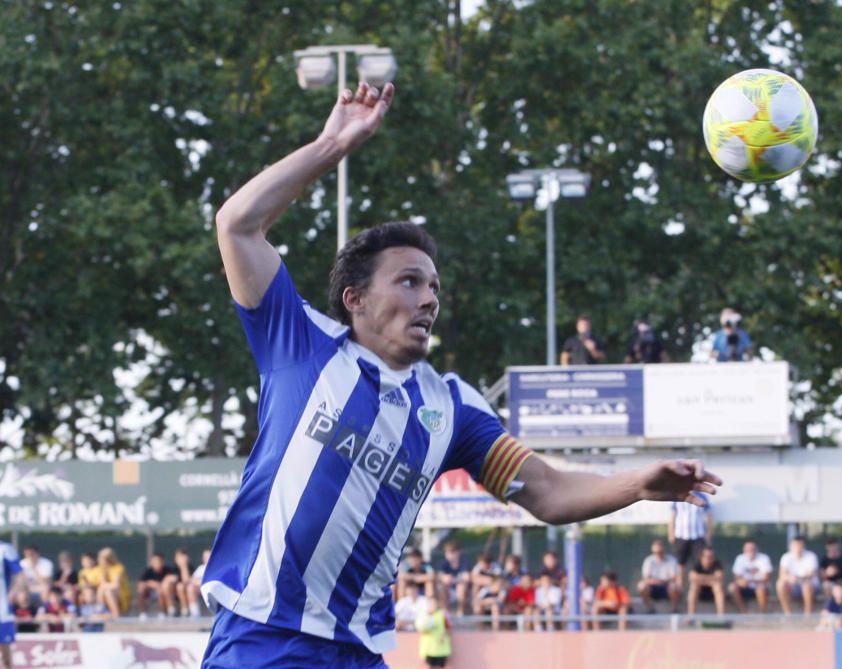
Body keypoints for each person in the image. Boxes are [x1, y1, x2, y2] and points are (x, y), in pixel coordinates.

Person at [200, 80, 720, 668]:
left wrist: (638, 486)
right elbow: (237, 224)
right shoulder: (300, 344)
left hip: (358, 653)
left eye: (434, 288)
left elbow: (546, 492)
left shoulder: (450, 407)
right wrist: (332, 144)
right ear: (355, 299)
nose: (429, 299)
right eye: (409, 282)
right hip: (263, 639)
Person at [669, 491, 713, 582]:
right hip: (681, 536)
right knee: (680, 565)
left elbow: (708, 517)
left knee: (698, 565)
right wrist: (671, 533)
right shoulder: (678, 496)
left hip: (698, 537)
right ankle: (679, 591)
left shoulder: (702, 497)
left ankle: (696, 593)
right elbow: (672, 516)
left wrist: (708, 534)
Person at [776, 536, 820, 615]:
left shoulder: (811, 556)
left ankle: (808, 614)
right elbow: (782, 575)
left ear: (804, 546)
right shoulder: (786, 557)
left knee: (807, 585)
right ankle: (788, 613)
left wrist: (798, 579)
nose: (798, 548)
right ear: (791, 546)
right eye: (796, 545)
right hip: (792, 587)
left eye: (800, 545)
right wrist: (790, 578)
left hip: (810, 587)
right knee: (780, 584)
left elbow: (811, 574)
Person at [636, 539, 681, 613]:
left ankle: (674, 609)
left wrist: (663, 581)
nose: (658, 554)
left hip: (667, 587)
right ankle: (649, 609)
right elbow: (646, 578)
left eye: (660, 552)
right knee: (641, 586)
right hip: (653, 587)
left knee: (674, 586)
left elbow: (674, 577)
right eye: (656, 552)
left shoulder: (672, 560)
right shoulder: (648, 560)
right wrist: (658, 581)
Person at [728, 539, 772, 613]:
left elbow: (766, 578)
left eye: (752, 549)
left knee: (760, 587)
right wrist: (741, 582)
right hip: (744, 588)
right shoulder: (740, 558)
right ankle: (744, 611)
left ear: (757, 549)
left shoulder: (764, 558)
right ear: (744, 550)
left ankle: (763, 612)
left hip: (761, 588)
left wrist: (751, 581)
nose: (750, 551)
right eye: (748, 549)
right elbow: (736, 577)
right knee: (732, 587)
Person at [136, 552, 180, 619]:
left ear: (162, 562)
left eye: (158, 561)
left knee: (162, 590)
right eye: (154, 562)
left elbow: (175, 578)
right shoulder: (148, 571)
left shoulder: (168, 570)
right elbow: (140, 584)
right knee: (141, 590)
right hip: (150, 593)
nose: (156, 564)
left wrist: (165, 581)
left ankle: (164, 612)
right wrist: (151, 583)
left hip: (166, 593)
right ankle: (142, 614)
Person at [415, 592, 451, 669]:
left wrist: (443, 634)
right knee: (429, 666)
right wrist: (424, 627)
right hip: (428, 648)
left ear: (438, 603)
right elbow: (419, 627)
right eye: (430, 603)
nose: (432, 605)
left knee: (440, 666)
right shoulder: (423, 615)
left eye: (434, 603)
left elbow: (449, 626)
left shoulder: (443, 613)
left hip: (441, 648)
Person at [0, 541, 22, 669]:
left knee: (5, 653)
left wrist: (13, 592)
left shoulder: (5, 549)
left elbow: (20, 574)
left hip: (2, 611)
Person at [687, 546, 725, 616]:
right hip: (700, 593)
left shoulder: (717, 563)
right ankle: (691, 616)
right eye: (708, 557)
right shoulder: (697, 564)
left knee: (718, 586)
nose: (710, 559)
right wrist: (712, 579)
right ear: (702, 557)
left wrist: (701, 579)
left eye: (712, 556)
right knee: (694, 586)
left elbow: (719, 576)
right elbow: (692, 577)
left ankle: (721, 617)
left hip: (713, 593)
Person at [437, 543, 470, 616]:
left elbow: (466, 577)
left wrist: (453, 579)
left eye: (451, 553)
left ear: (457, 553)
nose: (449, 555)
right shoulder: (444, 564)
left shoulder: (463, 563)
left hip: (463, 591)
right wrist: (444, 578)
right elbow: (440, 576)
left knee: (460, 586)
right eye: (447, 553)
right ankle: (446, 612)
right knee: (442, 586)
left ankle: (460, 611)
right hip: (449, 591)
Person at [184, 548, 211, 618]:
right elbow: (191, 580)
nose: (207, 559)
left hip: (213, 591)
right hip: (201, 590)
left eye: (209, 556)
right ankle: (195, 614)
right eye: (205, 557)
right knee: (190, 588)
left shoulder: (217, 567)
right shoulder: (201, 568)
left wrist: (201, 582)